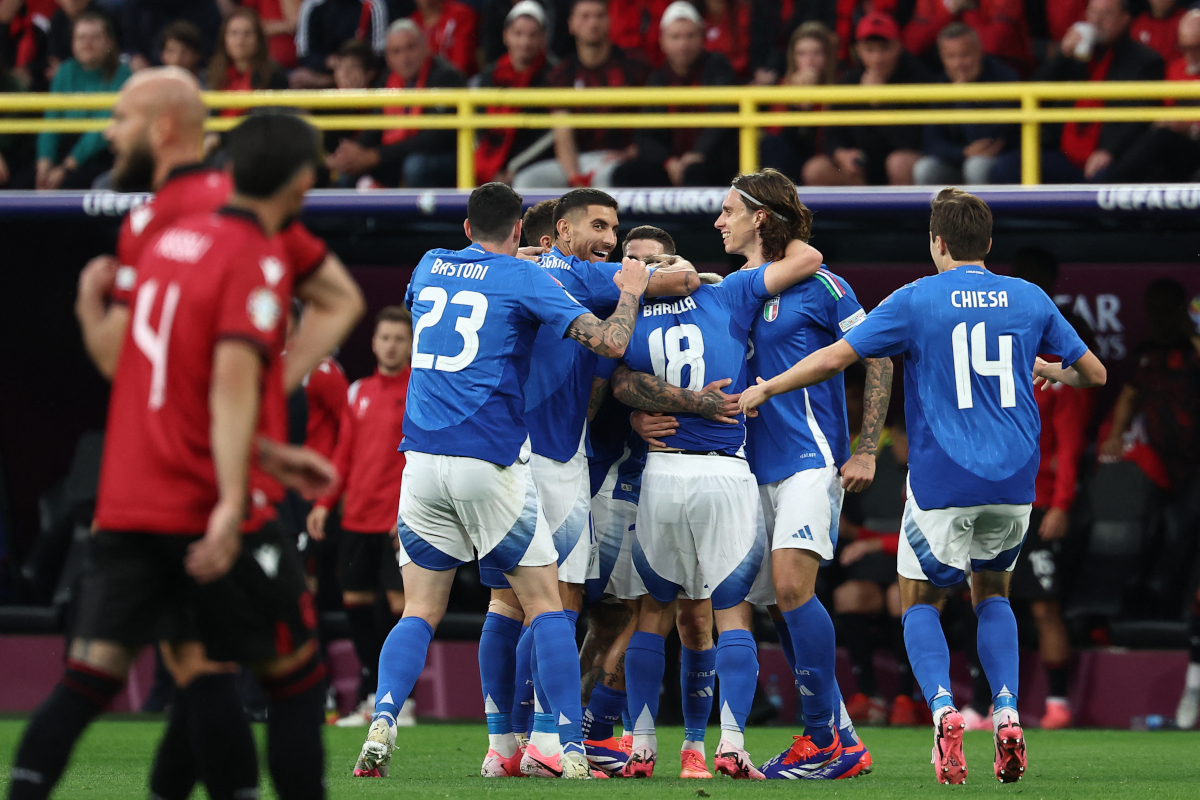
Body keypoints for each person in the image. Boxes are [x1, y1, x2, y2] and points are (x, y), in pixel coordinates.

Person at [8, 111, 339, 800]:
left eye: (121, 114)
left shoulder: (155, 231)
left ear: (163, 130)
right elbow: (228, 380)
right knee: (296, 681)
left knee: (152, 675)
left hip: (129, 496)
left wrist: (85, 309)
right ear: (301, 180)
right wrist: (252, 453)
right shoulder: (252, 245)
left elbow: (129, 366)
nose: (107, 131)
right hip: (208, 495)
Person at [740, 188, 1106, 785]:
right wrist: (1042, 368)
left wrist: (767, 387)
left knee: (919, 602)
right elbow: (1094, 374)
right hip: (1014, 483)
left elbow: (837, 358)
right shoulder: (1030, 298)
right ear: (988, 244)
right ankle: (1008, 710)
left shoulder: (916, 298)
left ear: (936, 242)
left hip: (942, 481)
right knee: (992, 593)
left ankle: (942, 710)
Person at [351, 182, 652, 781]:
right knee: (546, 607)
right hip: (488, 460)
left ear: (466, 228)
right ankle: (565, 749)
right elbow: (612, 342)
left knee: (419, 610)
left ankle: (384, 715)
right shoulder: (526, 278)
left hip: (420, 465)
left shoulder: (429, 264)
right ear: (521, 232)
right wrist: (630, 293)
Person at [615, 169, 882, 781]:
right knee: (772, 604)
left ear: (760, 216)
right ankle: (839, 733)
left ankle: (821, 740)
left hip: (808, 459)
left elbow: (878, 352)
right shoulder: (733, 290)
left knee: (791, 590)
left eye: (728, 210)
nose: (718, 221)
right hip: (745, 471)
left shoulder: (821, 284)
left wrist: (866, 447)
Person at [482, 189, 699, 780]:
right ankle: (549, 743)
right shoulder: (587, 277)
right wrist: (641, 278)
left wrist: (525, 252)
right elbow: (677, 283)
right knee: (561, 603)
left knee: (510, 603)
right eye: (599, 226)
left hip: (508, 453)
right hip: (558, 461)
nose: (608, 239)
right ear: (562, 230)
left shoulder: (510, 270)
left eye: (614, 228)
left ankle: (506, 742)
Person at [308, 307, 415, 728]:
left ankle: (402, 702)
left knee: (400, 607)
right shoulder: (357, 392)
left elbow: (419, 457)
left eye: (399, 338)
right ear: (373, 342)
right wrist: (322, 503)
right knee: (355, 605)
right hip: (356, 518)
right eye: (384, 337)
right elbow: (344, 454)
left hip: (396, 520)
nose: (391, 345)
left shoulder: (418, 390)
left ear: (410, 345)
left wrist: (410, 510)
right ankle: (374, 694)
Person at [1006, 247, 1095, 732]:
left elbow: (1072, 444)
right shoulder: (1003, 368)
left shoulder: (1061, 375)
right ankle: (982, 704)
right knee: (987, 598)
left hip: (1041, 507)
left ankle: (1058, 702)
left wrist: (1061, 503)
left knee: (1043, 605)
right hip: (1003, 500)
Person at [991, 0, 1163, 184]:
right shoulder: (1074, 55)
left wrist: (1110, 151)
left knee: (1106, 179)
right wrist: (1062, 55)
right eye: (1093, 13)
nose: (1096, 21)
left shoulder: (1145, 61)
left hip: (1111, 157)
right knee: (1004, 169)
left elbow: (1140, 119)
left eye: (1106, 14)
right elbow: (1035, 93)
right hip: (1064, 152)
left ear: (1125, 19)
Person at [511, 0, 649, 189]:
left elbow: (649, 125)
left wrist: (630, 154)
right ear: (571, 24)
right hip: (576, 159)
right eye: (585, 17)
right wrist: (575, 176)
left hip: (620, 158)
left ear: (609, 21)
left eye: (599, 16)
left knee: (609, 178)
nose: (593, 23)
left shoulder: (635, 67)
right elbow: (563, 132)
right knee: (526, 181)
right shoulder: (562, 73)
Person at [610, 1, 737, 188]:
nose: (683, 44)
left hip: (711, 161)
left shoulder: (718, 67)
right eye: (675, 37)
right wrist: (668, 161)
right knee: (623, 174)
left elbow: (723, 117)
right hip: (670, 165)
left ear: (702, 37)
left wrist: (697, 154)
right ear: (663, 41)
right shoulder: (658, 79)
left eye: (690, 36)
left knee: (696, 174)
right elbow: (643, 134)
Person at [324, 20, 465, 188]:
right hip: (398, 154)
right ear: (388, 59)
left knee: (415, 166)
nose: (404, 58)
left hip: (443, 156)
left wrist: (376, 155)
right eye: (396, 52)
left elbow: (434, 139)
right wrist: (351, 153)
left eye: (410, 48)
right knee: (350, 168)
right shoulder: (387, 80)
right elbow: (376, 125)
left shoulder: (446, 77)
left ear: (425, 47)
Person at [802, 12, 932, 187]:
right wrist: (841, 154)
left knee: (898, 163)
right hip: (860, 170)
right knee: (815, 169)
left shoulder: (918, 78)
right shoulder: (849, 81)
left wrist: (880, 103)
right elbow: (831, 136)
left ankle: (901, 215)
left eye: (884, 49)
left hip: (904, 163)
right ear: (859, 51)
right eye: (870, 50)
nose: (877, 58)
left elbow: (912, 141)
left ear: (897, 47)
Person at [912, 23, 1018, 186]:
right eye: (951, 57)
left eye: (965, 55)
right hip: (959, 158)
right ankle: (939, 213)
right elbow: (931, 143)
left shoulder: (1002, 77)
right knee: (925, 168)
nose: (959, 64)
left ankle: (981, 213)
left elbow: (991, 139)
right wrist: (962, 153)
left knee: (976, 166)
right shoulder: (941, 84)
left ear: (979, 51)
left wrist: (964, 98)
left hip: (1002, 161)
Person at [36, 11, 130, 189]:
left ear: (109, 42)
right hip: (66, 148)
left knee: (69, 186)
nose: (87, 44)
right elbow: (51, 120)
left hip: (102, 152)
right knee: (24, 183)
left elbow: (102, 128)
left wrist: (66, 167)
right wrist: (44, 163)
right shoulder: (65, 71)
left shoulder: (122, 74)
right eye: (81, 38)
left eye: (95, 37)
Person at [1108, 9, 1200, 183]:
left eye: (1196, 48)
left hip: (1194, 142)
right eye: (1184, 48)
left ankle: (1108, 188)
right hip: (1179, 148)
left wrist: (1191, 130)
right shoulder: (1175, 69)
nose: (1190, 56)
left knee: (1161, 139)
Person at [470, 0, 555, 185]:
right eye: (518, 34)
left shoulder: (554, 76)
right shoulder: (489, 75)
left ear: (543, 38)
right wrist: (489, 168)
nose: (525, 42)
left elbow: (551, 135)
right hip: (490, 164)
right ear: (505, 36)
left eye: (532, 35)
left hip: (533, 163)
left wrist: (514, 167)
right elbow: (476, 127)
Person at [759, 21, 838, 183]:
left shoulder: (840, 86)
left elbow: (829, 142)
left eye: (817, 53)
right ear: (793, 57)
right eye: (802, 54)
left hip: (823, 162)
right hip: (790, 164)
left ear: (827, 56)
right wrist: (794, 105)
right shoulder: (783, 86)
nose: (809, 60)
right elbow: (775, 137)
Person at [901, 0, 1031, 75]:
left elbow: (992, 46)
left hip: (1000, 73)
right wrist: (950, 10)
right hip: (946, 74)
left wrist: (969, 8)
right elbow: (911, 46)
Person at [293, 0, 388, 89]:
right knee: (298, 77)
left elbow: (379, 54)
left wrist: (351, 66)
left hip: (362, 72)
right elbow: (304, 54)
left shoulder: (372, 5)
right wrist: (330, 63)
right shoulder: (313, 5)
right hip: (322, 72)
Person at [207, 8, 289, 103]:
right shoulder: (216, 73)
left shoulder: (273, 74)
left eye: (247, 33)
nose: (240, 40)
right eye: (234, 33)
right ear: (224, 39)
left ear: (258, 40)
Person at [411, 0, 480, 76]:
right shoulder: (412, 23)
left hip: (460, 81)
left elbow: (462, 62)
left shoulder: (460, 14)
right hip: (423, 83)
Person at [241, 0, 303, 69]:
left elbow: (295, 23)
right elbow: (244, 20)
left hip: (290, 61)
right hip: (262, 62)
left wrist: (263, 28)